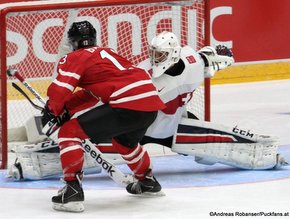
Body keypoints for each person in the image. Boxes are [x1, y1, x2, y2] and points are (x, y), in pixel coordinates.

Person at [8, 32, 286, 184]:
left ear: (175, 53)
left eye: (162, 55)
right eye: (154, 53)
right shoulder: (142, 73)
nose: (155, 59)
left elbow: (215, 56)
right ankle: (32, 165)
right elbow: (99, 97)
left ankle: (265, 156)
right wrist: (68, 107)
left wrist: (224, 55)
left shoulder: (191, 60)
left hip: (171, 126)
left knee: (220, 144)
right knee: (81, 143)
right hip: (136, 125)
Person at [42, 20, 166, 212]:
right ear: (93, 39)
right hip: (151, 103)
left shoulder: (75, 57)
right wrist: (66, 108)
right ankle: (147, 182)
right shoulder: (107, 53)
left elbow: (60, 90)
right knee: (125, 143)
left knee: (68, 132)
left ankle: (72, 192)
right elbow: (93, 94)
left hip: (127, 103)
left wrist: (53, 110)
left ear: (73, 42)